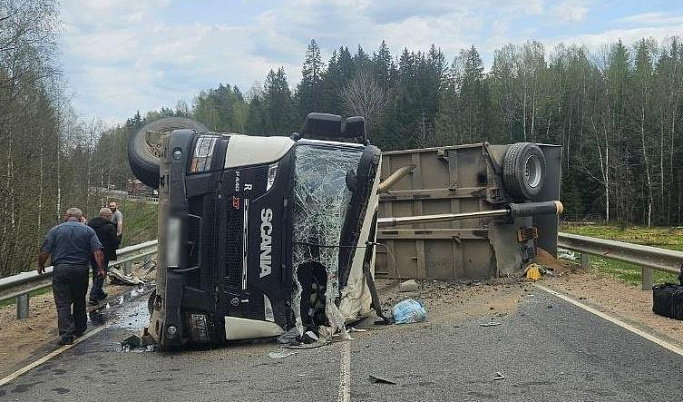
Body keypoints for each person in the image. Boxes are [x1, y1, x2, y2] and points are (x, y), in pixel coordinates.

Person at [38, 208, 105, 345]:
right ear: (81, 218)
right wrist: (100, 268)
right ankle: (79, 328)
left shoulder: (56, 230)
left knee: (63, 303)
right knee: (79, 299)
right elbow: (97, 251)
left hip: (61, 269)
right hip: (81, 269)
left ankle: (67, 335)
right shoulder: (88, 231)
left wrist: (41, 265)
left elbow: (45, 251)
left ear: (66, 216)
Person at [87, 208, 119, 305]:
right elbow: (115, 242)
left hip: (91, 253)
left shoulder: (90, 225)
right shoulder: (109, 227)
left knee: (96, 272)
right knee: (101, 273)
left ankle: (99, 292)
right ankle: (94, 295)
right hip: (104, 253)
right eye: (110, 216)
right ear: (107, 216)